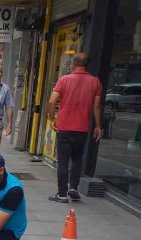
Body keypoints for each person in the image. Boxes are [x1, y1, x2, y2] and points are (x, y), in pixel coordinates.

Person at [47, 52, 103, 203]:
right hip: (82, 128)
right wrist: (98, 126)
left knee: (63, 161)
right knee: (77, 159)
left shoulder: (64, 80)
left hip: (64, 127)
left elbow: (52, 101)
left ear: (73, 63)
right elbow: (97, 106)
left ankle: (62, 194)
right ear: (88, 65)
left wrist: (52, 119)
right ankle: (74, 188)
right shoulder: (95, 82)